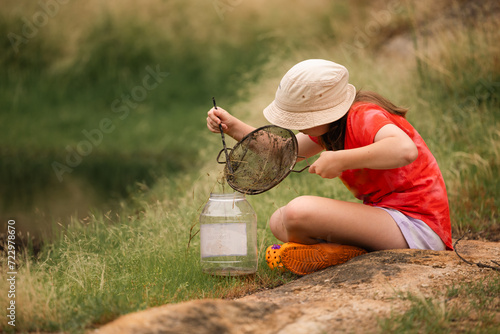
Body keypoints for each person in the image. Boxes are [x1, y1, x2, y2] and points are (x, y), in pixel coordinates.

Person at [206, 59, 453, 275]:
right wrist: (233, 126)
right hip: (387, 221)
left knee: (299, 211)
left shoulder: (364, 115)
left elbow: (404, 150)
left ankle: (343, 253)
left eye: (301, 119)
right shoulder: (330, 128)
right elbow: (281, 152)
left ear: (324, 113)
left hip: (418, 228)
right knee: (280, 221)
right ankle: (343, 252)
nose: (298, 127)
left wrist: (341, 159)